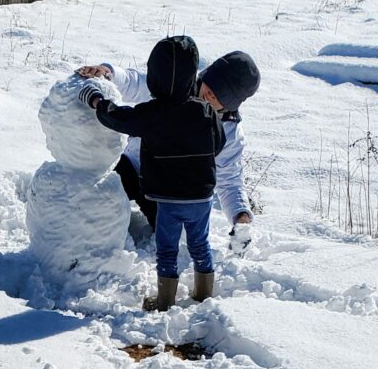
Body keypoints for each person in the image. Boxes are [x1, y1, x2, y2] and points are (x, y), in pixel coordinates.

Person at [78, 36, 225, 309]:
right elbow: (219, 143)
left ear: (154, 77)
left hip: (168, 199)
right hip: (201, 197)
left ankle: (165, 299)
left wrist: (97, 101)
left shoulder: (152, 113)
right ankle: (204, 293)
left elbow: (119, 118)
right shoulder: (206, 111)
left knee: (167, 249)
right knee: (200, 244)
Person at [77, 50, 261, 232]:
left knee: (170, 232)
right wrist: (108, 73)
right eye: (212, 86)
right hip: (134, 166)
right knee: (100, 202)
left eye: (222, 95)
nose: (211, 95)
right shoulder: (176, 86)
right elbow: (137, 83)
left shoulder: (229, 131)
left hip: (169, 190)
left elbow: (230, 181)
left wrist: (241, 217)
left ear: (233, 103)